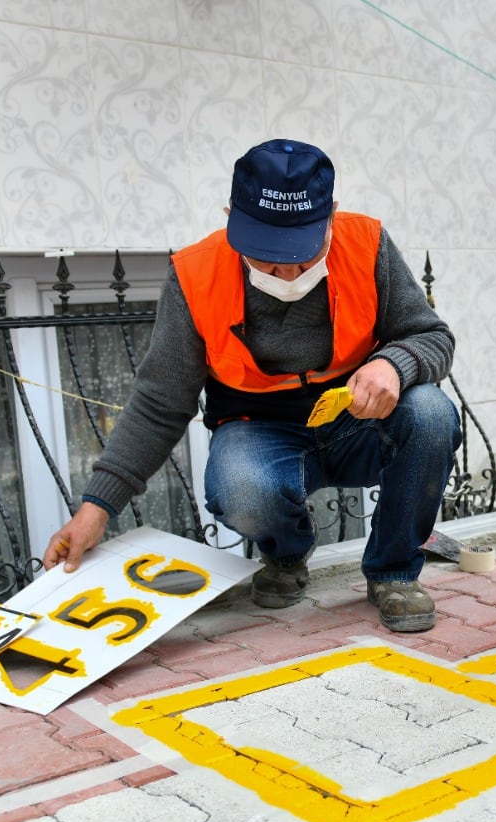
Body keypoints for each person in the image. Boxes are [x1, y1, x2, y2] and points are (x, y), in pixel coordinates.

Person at [43, 138, 460, 633]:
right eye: (267, 257)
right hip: (259, 427)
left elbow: (432, 335)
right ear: (231, 219)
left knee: (431, 413)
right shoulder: (196, 274)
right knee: (242, 487)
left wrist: (394, 365)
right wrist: (96, 507)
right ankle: (286, 558)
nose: (287, 272)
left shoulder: (366, 244)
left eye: (304, 255)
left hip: (357, 419)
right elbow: (159, 403)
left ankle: (393, 570)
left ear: (331, 218)